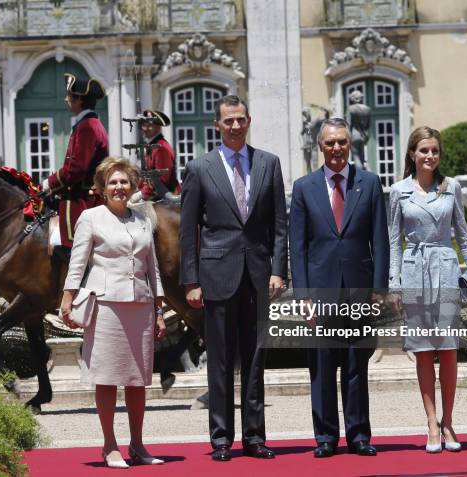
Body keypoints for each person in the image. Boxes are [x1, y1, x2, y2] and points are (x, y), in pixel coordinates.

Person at [179, 94, 288, 462]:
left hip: (258, 275)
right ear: (217, 124)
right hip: (216, 275)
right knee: (222, 361)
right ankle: (222, 439)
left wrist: (277, 270)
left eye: (241, 119)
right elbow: (188, 230)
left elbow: (279, 225)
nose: (236, 126)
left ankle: (255, 438)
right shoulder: (199, 168)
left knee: (255, 360)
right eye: (229, 121)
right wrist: (191, 281)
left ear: (249, 119)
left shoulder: (269, 164)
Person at [289, 117, 389, 458]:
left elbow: (381, 240)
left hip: (359, 290)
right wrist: (302, 296)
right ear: (320, 146)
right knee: (321, 366)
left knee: (355, 365)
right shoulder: (304, 188)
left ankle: (359, 435)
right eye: (330, 143)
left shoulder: (371, 184)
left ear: (350, 144)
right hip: (319, 292)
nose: (336, 149)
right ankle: (326, 438)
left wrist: (379, 290)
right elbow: (297, 246)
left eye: (342, 142)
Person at [59, 157, 167, 468]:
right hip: (105, 305)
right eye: (113, 182)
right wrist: (68, 299)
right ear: (102, 188)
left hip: (141, 305)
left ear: (132, 186)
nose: (119, 187)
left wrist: (159, 309)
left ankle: (137, 444)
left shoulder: (143, 220)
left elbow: (153, 268)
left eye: (124, 182)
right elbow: (77, 262)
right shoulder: (90, 218)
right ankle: (109, 445)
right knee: (106, 378)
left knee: (137, 379)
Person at [387, 126, 467, 453]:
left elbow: (462, 233)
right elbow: (393, 242)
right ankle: (431, 423)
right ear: (412, 154)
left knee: (449, 348)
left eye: (434, 151)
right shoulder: (398, 190)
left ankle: (449, 421)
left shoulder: (450, 186)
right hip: (414, 271)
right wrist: (394, 282)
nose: (430, 156)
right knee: (424, 350)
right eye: (424, 150)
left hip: (444, 269)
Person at [42, 73, 109, 250]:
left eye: (69, 96)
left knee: (73, 249)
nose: (66, 99)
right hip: (82, 196)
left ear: (79, 99)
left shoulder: (87, 127)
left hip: (82, 200)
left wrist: (49, 183)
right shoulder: (89, 123)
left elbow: (76, 169)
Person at [131, 110, 181, 202]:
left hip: (167, 202)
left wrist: (141, 194)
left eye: (148, 125)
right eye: (143, 125)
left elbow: (161, 182)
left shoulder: (161, 148)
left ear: (158, 127)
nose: (144, 129)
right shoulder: (153, 146)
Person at [347, 91, 371, 170]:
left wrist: (347, 137)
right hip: (364, 135)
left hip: (354, 134)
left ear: (353, 98)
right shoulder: (367, 109)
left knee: (356, 156)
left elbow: (348, 124)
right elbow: (368, 125)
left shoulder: (350, 109)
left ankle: (359, 173)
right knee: (362, 156)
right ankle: (363, 172)